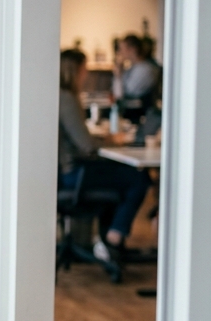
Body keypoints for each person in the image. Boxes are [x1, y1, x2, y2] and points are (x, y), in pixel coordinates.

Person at [59, 48, 152, 265]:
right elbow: (87, 146)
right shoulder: (67, 99)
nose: (86, 74)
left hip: (71, 171)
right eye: (84, 69)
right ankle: (114, 236)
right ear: (75, 71)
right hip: (75, 173)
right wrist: (114, 141)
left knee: (125, 177)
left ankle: (109, 239)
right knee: (138, 178)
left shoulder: (62, 97)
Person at [113, 33, 162, 113]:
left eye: (122, 49)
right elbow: (117, 95)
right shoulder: (130, 68)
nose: (120, 53)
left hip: (138, 114)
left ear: (133, 49)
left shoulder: (146, 70)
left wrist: (119, 76)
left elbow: (125, 93)